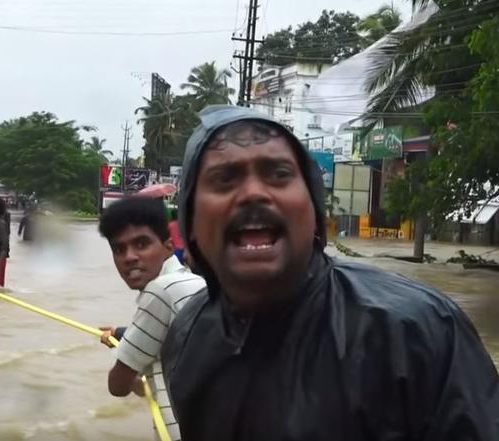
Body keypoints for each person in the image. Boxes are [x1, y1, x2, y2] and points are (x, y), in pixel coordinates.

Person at [161, 105, 499, 441]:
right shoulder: (186, 336)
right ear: (190, 224)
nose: (254, 193)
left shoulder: (417, 332)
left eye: (278, 174)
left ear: (314, 211)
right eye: (225, 179)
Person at [97, 197, 206, 441]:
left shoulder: (161, 291)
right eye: (119, 249)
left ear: (168, 246)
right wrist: (122, 337)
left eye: (141, 244)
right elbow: (148, 381)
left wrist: (122, 351)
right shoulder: (192, 282)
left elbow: (118, 386)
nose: (129, 257)